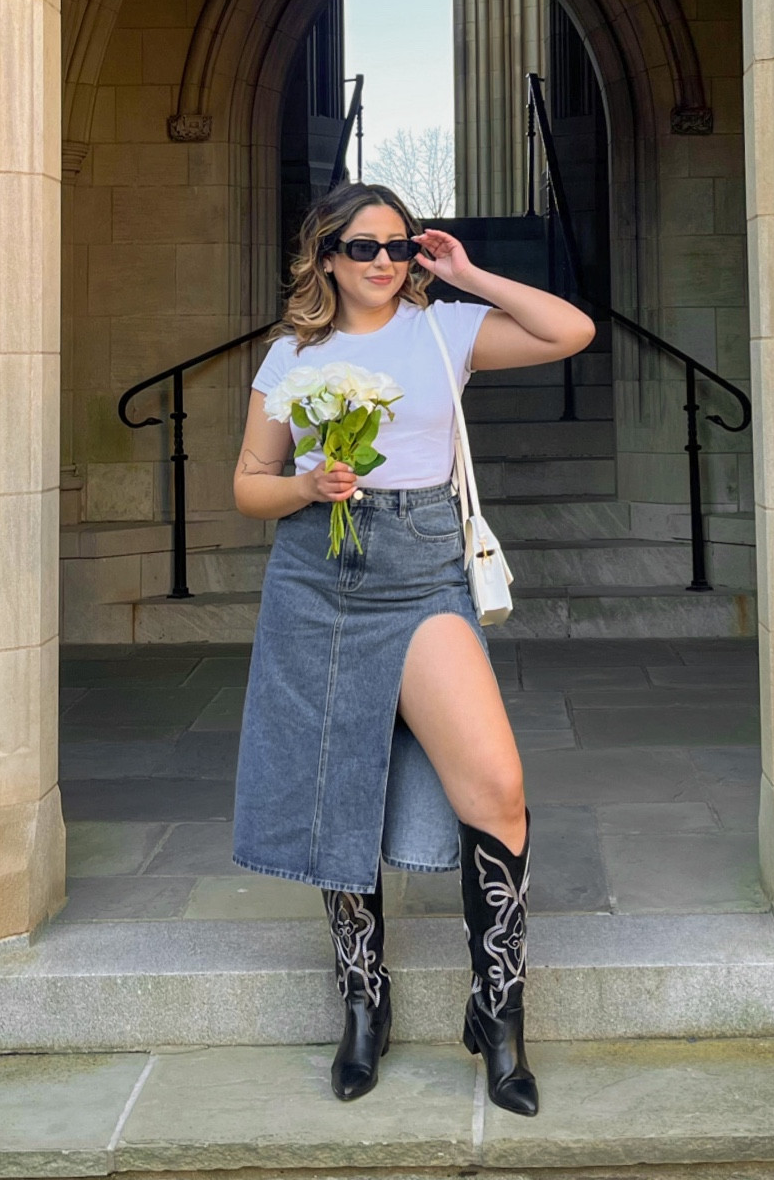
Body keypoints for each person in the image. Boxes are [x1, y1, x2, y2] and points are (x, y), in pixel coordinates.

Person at [231, 181, 595, 1111]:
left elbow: (569, 332)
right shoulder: (292, 355)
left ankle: (499, 1011)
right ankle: (364, 999)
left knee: (497, 785)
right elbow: (247, 485)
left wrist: (467, 273)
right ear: (324, 257)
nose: (385, 263)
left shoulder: (446, 331)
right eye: (364, 248)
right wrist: (311, 487)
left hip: (425, 570)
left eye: (398, 247)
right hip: (319, 577)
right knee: (333, 785)